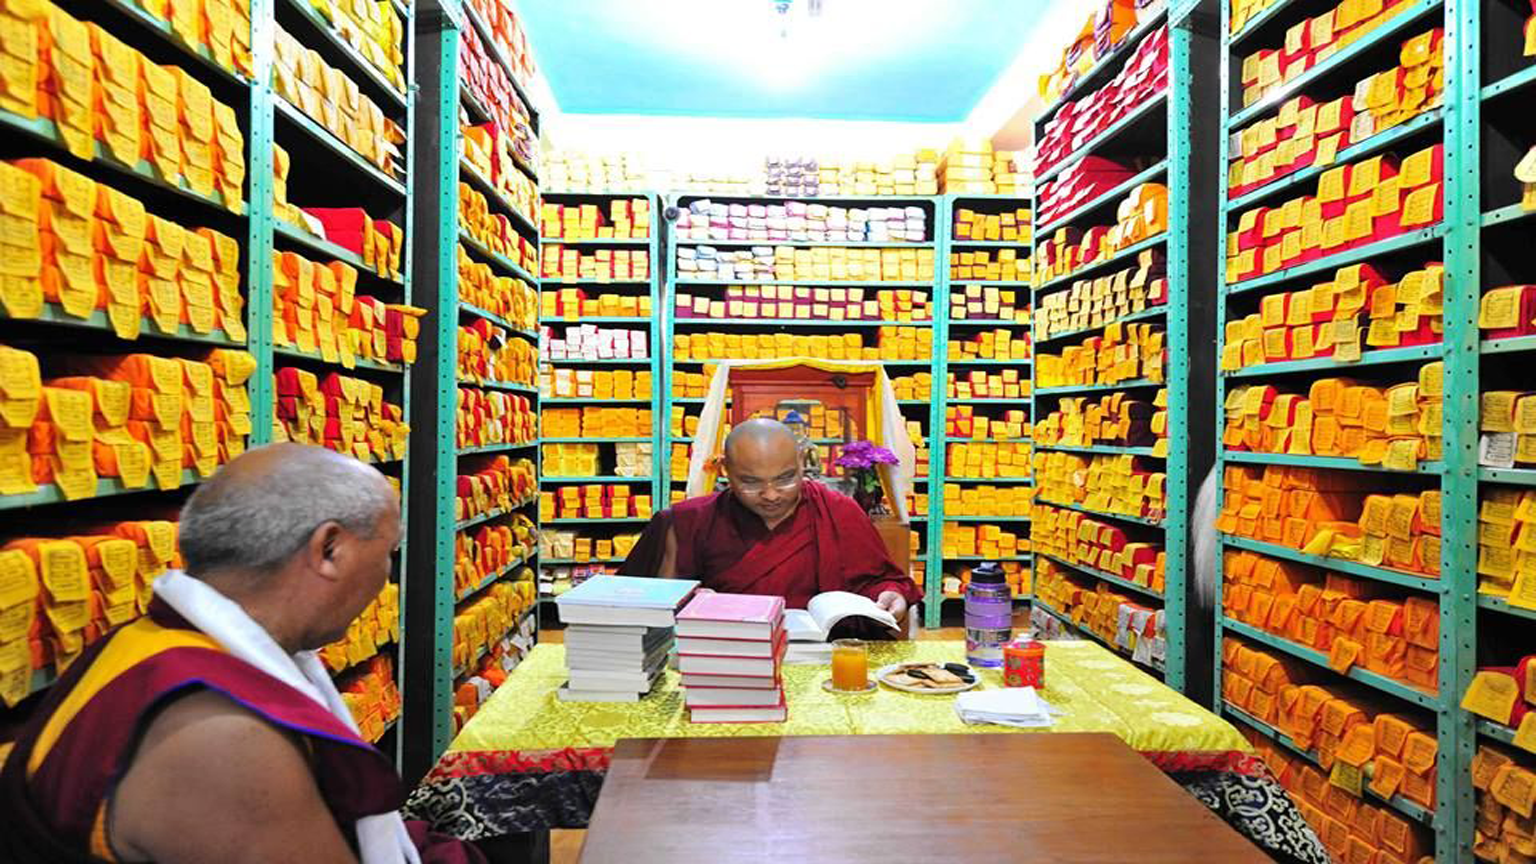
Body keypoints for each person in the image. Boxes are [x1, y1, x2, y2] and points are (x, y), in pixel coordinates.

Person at [0, 443, 482, 864]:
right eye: (388, 553)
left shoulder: (143, 642)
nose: (386, 577)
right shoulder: (222, 738)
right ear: (329, 549)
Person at [623, 418, 922, 627]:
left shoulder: (838, 511)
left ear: (803, 462)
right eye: (750, 482)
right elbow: (633, 602)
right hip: (722, 662)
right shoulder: (686, 522)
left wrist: (890, 596)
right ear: (725, 471)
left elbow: (880, 581)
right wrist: (687, 601)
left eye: (785, 478)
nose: (770, 495)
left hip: (819, 661)